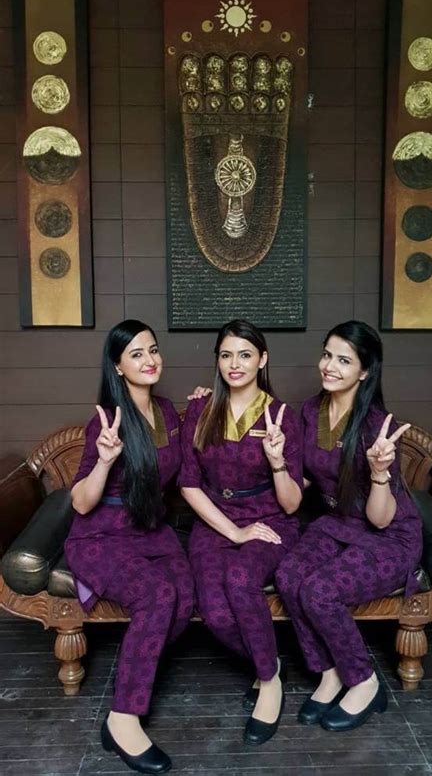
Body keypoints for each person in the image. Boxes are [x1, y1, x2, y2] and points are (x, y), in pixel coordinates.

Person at [275, 320, 422, 732]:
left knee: (319, 592)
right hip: (336, 523)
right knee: (288, 576)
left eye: (344, 360)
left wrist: (379, 472)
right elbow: (306, 476)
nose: (329, 366)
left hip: (387, 535)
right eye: (327, 355)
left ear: (364, 371)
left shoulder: (377, 426)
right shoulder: (311, 410)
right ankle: (329, 673)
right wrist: (274, 470)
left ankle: (364, 681)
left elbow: (381, 518)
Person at [66, 319, 195, 774]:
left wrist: (202, 406)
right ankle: (123, 717)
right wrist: (104, 462)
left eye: (153, 349)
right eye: (136, 354)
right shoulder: (105, 420)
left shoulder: (168, 412)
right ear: (118, 366)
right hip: (101, 534)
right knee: (158, 596)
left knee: (184, 598)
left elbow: (187, 468)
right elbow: (80, 502)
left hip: (151, 528)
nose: (150, 360)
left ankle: (128, 684)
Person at [179, 319, 303, 745]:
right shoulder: (200, 409)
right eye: (226, 355)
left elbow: (292, 504)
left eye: (245, 355)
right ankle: (271, 661)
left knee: (239, 577)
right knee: (214, 611)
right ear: (217, 360)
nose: (235, 364)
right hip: (215, 519)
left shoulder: (282, 416)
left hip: (270, 519)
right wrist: (233, 531)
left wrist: (278, 462)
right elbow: (189, 484)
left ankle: (268, 682)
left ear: (262, 360)